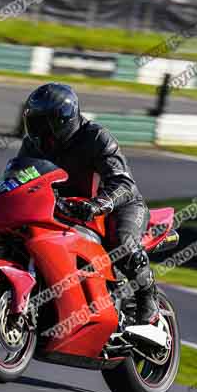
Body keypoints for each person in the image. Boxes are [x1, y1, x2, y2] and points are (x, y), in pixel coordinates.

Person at [17, 83, 159, 326]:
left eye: (45, 123)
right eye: (35, 123)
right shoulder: (33, 144)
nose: (40, 131)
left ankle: (148, 297)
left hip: (117, 205)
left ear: (63, 120)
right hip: (66, 206)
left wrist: (98, 204)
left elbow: (122, 182)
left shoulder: (96, 137)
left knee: (124, 244)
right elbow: (19, 177)